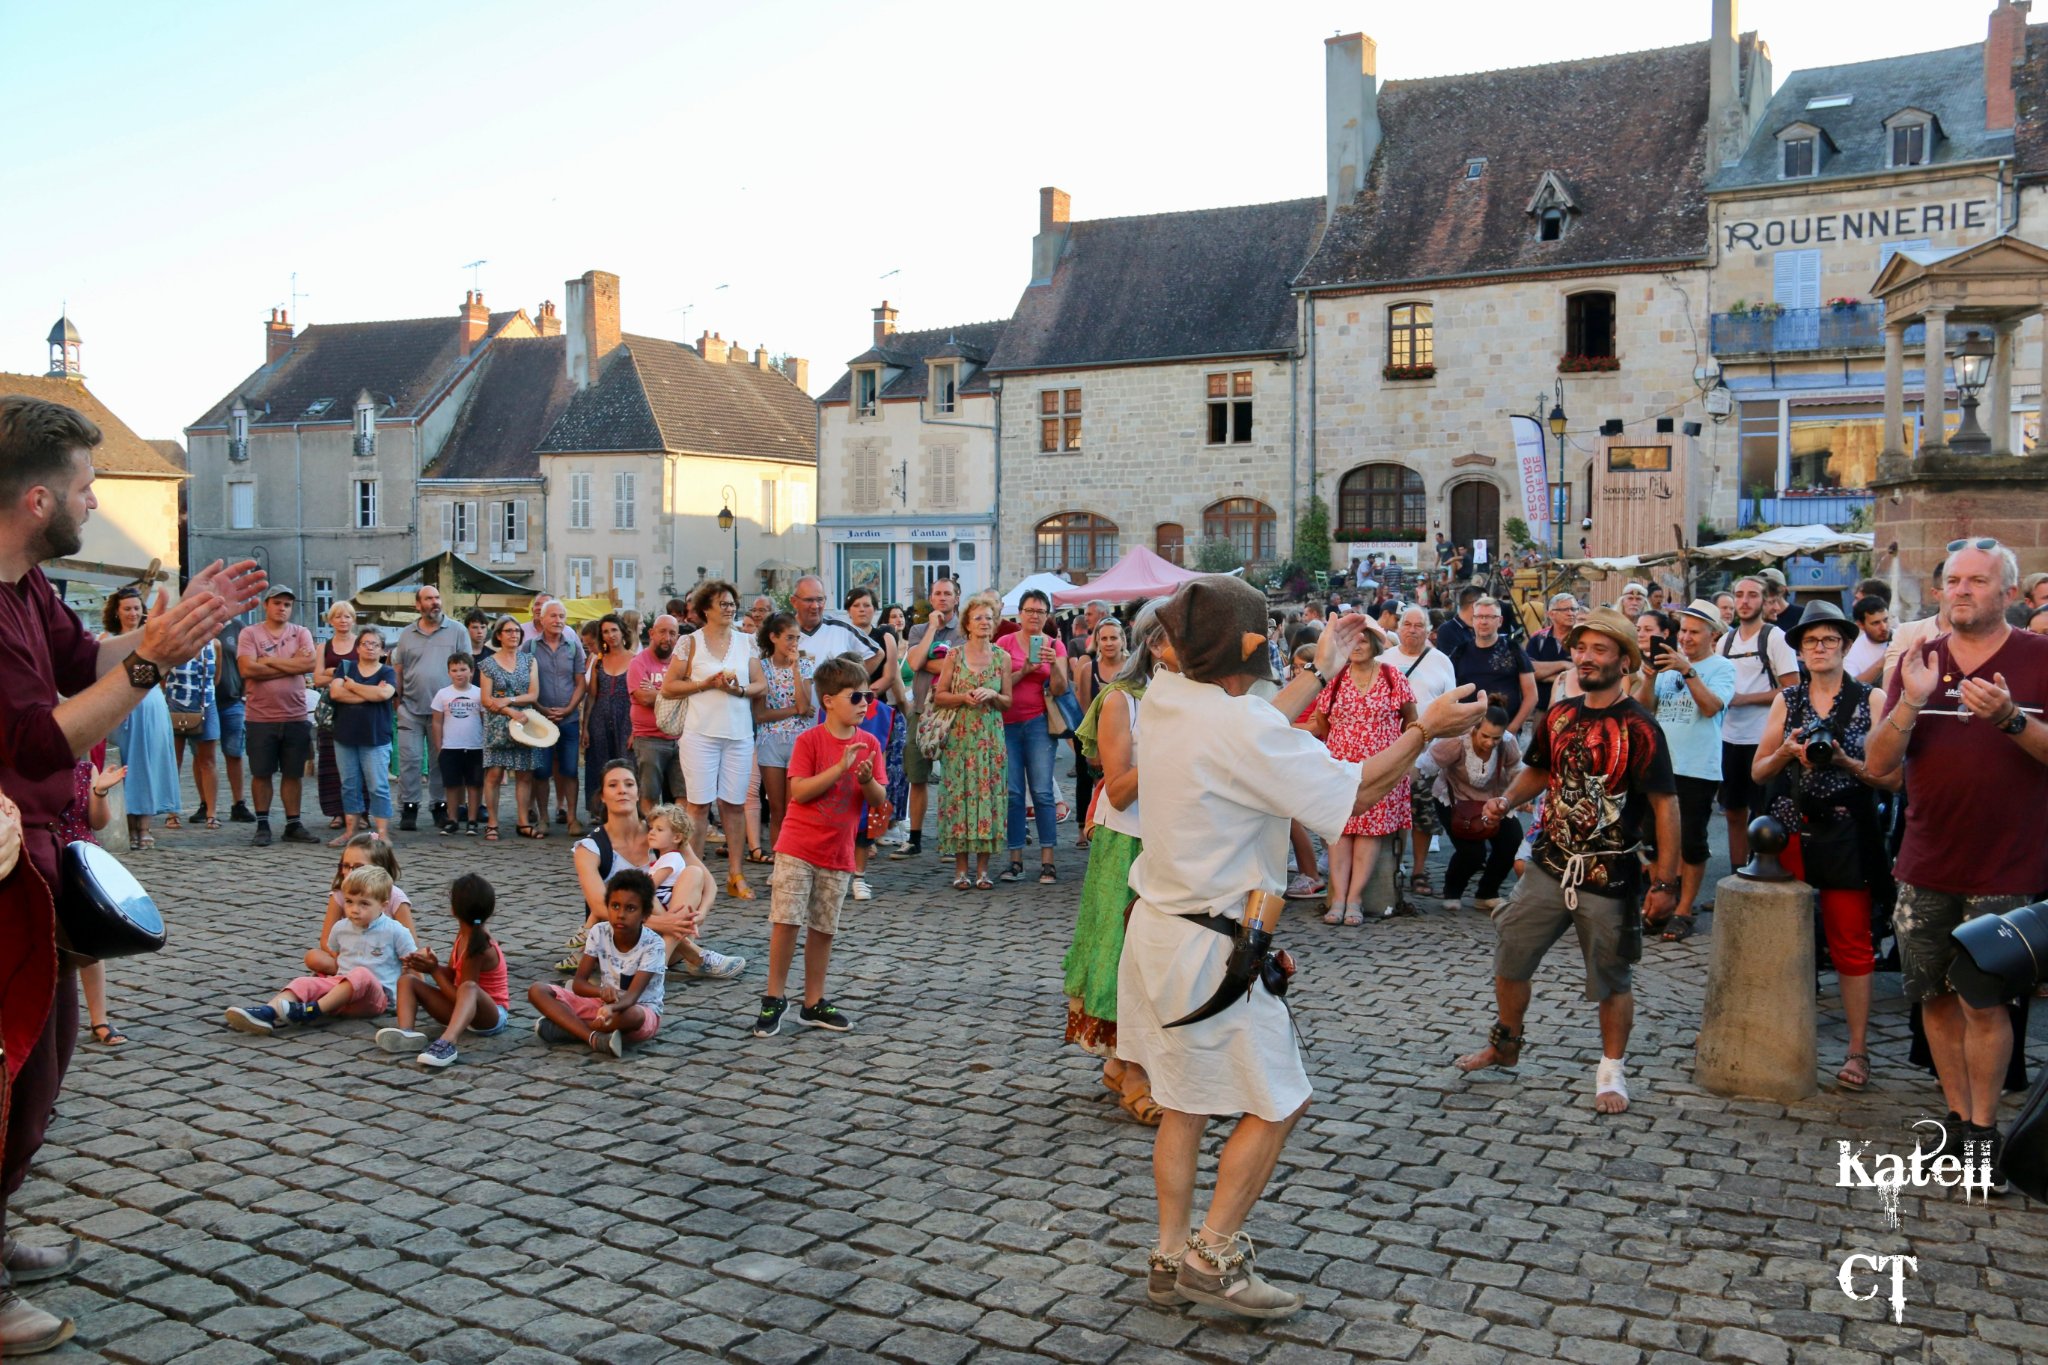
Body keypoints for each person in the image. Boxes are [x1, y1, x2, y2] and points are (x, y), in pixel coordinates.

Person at [1120, 579, 1485, 1319]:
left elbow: (1253, 721)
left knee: (1183, 1104)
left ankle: (1167, 1255)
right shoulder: (1235, 727)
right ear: (1250, 650)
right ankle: (1212, 1257)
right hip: (1212, 952)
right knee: (1282, 1098)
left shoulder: (1167, 695)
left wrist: (1319, 671)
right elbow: (1353, 792)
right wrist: (1425, 727)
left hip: (1158, 932)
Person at [1865, 540, 2048, 1188]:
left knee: (1984, 1001)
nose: (1962, 590)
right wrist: (1911, 701)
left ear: (2009, 593)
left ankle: (1984, 1135)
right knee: (1934, 998)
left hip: (2007, 866)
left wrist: (2011, 719)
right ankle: (1958, 1120)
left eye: (1978, 581)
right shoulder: (1919, 660)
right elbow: (1879, 764)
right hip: (1925, 860)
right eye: (1954, 581)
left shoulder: (2039, 658)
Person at [1455, 606, 1680, 1116]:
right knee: (1512, 954)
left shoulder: (1641, 727)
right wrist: (1506, 800)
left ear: (1625, 661)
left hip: (1609, 873)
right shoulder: (1560, 715)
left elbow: (1666, 805)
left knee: (1610, 977)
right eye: (1581, 648)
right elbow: (1539, 771)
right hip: (1548, 863)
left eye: (1600, 649)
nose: (1586, 657)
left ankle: (1611, 1071)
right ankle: (1506, 1043)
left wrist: (1666, 882)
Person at [1753, 601, 1891, 1092]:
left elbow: (1892, 778)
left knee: (1851, 940)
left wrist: (1845, 762)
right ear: (1800, 650)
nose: (1819, 648)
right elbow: (1759, 771)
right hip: (1790, 830)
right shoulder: (1788, 700)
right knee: (1782, 938)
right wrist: (1788, 752)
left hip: (1848, 832)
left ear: (1846, 646)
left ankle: (1858, 1048)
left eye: (1829, 639)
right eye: (1810, 641)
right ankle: (1777, 1035)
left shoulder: (1873, 699)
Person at [1064, 605, 1166, 1123]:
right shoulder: (1121, 699)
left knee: (1164, 958)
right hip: (1127, 839)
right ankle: (1130, 1068)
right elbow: (1120, 790)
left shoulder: (1197, 697)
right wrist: (1173, 746)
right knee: (1123, 951)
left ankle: (1129, 1064)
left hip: (1175, 841)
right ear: (1155, 643)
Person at [753, 658, 884, 1037]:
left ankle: (813, 1002)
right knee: (786, 922)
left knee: (824, 928)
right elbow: (799, 791)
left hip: (838, 852)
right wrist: (839, 768)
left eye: (868, 696)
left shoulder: (870, 743)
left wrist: (865, 780)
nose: (864, 703)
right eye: (855, 697)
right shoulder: (809, 740)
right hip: (797, 846)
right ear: (828, 701)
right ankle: (774, 997)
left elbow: (878, 800)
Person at [571, 759, 738, 979]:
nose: (622, 790)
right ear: (602, 796)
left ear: (638, 793)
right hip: (620, 935)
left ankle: (655, 968)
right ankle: (694, 956)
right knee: (641, 890)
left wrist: (701, 914)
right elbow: (601, 908)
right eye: (613, 785)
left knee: (693, 873)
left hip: (666, 936)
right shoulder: (589, 848)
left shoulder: (663, 831)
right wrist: (667, 923)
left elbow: (709, 885)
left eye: (629, 784)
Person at [1300, 616, 1416, 924]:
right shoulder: (1335, 678)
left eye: (1364, 640)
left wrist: (1401, 759)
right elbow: (1322, 720)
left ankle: (1355, 898)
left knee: (1369, 832)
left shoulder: (1392, 676)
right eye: (1353, 640)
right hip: (1342, 766)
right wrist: (1344, 743)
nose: (1358, 645)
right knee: (1341, 830)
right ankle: (1338, 898)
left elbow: (1411, 720)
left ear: (1375, 644)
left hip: (1381, 768)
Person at [1633, 600, 1736, 940]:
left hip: (1697, 766)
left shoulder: (1722, 667)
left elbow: (1711, 707)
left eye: (1695, 632)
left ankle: (1684, 910)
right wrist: (1649, 678)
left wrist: (1687, 671)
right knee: (1651, 840)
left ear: (1713, 635)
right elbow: (1644, 710)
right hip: (1660, 764)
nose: (1686, 638)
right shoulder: (1667, 665)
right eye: (1684, 631)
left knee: (1691, 841)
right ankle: (1660, 902)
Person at [225, 864, 417, 1035]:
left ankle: (311, 1010)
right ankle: (268, 1012)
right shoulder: (341, 928)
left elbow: (414, 964)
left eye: (364, 904)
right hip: (341, 992)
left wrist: (415, 998)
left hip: (375, 999)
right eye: (349, 901)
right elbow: (337, 955)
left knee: (362, 974)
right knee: (304, 981)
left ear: (383, 905)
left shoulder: (396, 931)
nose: (354, 909)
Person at [663, 579, 764, 900]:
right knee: (698, 806)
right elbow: (669, 686)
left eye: (732, 603)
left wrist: (739, 690)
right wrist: (704, 684)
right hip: (700, 733)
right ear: (706, 609)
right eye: (723, 603)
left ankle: (736, 874)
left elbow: (760, 684)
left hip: (738, 734)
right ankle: (693, 878)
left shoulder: (747, 641)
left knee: (734, 805)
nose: (730, 608)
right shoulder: (689, 643)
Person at [375, 872, 511, 1068]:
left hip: (491, 1016)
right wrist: (430, 966)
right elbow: (455, 977)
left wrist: (435, 971)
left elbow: (462, 993)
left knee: (469, 988)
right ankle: (406, 1032)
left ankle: (448, 1042)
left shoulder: (479, 946)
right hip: (464, 1011)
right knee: (407, 980)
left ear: (453, 910)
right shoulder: (464, 934)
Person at [530, 868, 666, 1057]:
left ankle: (568, 1028)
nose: (621, 914)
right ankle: (593, 1037)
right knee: (537, 990)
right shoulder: (599, 932)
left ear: (645, 914)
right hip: (602, 1007)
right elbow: (579, 984)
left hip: (638, 1011)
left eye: (630, 908)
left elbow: (632, 997)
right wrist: (601, 992)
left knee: (632, 1015)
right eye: (615, 906)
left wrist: (612, 1007)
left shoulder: (654, 944)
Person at [1716, 576, 1799, 872]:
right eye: (1739, 595)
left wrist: (1745, 699)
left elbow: (1792, 688)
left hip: (1764, 739)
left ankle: (1764, 871)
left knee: (1764, 811)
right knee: (1733, 811)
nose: (1744, 601)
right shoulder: (1725, 641)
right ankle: (1737, 872)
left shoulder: (1775, 637)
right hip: (1729, 737)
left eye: (1752, 595)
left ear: (1765, 601)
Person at [935, 592, 1012, 889]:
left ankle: (982, 871)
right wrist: (962, 698)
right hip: (960, 739)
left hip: (990, 740)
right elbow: (940, 696)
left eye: (989, 618)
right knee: (960, 799)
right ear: (967, 623)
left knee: (987, 799)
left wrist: (993, 694)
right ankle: (960, 870)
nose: (984, 622)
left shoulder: (1002, 658)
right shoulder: (954, 656)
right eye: (978, 617)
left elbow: (1008, 702)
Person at [1384, 605, 1457, 902]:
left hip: (1428, 752)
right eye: (1407, 624)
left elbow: (1450, 706)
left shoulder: (1441, 661)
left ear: (1428, 630)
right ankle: (1391, 866)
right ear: (1398, 628)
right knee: (1391, 811)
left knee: (1423, 814)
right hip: (1390, 751)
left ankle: (1419, 870)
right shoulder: (1384, 660)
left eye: (1419, 625)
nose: (1412, 630)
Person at [997, 589, 1069, 884]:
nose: (1034, 616)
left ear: (1047, 615)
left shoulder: (1055, 645)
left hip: (1039, 723)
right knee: (1014, 793)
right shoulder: (1004, 643)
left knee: (1042, 791)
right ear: (1020, 614)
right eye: (1030, 611)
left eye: (1040, 612)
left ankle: (1047, 861)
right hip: (1007, 724)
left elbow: (1061, 689)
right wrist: (1025, 670)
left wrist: (1054, 666)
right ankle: (1015, 860)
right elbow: (998, 685)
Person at [240, 586, 320, 847]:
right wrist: (291, 665)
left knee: (293, 773)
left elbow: (309, 665)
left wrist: (267, 661)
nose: (282, 608)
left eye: (287, 604)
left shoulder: (301, 632)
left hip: (295, 714)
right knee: (261, 772)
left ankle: (293, 824)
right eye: (277, 603)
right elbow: (247, 669)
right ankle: (262, 824)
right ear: (266, 605)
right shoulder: (250, 633)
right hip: (260, 716)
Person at [892, 578, 965, 861]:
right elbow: (913, 663)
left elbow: (960, 667)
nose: (942, 598)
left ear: (956, 598)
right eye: (937, 594)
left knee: (952, 778)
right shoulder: (919, 629)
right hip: (921, 710)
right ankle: (915, 839)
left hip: (952, 713)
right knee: (917, 777)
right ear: (931, 599)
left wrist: (928, 662)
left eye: (948, 593)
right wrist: (932, 629)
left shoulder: (964, 630)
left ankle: (950, 839)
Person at [102, 588, 179, 849]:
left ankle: (144, 827)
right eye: (127, 608)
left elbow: (163, 669)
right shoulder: (107, 640)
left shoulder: (152, 637)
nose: (133, 613)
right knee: (124, 764)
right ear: (117, 612)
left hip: (150, 705)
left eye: (137, 608)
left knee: (149, 763)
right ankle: (126, 825)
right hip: (119, 707)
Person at [1430, 704, 1523, 912]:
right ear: (1475, 728)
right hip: (1455, 800)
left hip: (1494, 800)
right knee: (1472, 853)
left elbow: (1517, 771)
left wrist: (1518, 796)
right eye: (1485, 736)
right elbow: (1426, 763)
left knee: (1511, 842)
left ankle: (1487, 892)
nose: (1490, 743)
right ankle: (1453, 891)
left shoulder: (1508, 743)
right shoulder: (1457, 741)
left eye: (1496, 738)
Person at [390, 584, 466, 832]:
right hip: (410, 708)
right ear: (418, 605)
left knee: (440, 762)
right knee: (410, 761)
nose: (434, 602)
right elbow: (398, 669)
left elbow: (467, 668)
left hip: (444, 712)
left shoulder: (457, 631)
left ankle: (439, 808)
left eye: (437, 597)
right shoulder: (406, 634)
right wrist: (398, 701)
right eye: (428, 598)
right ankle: (409, 808)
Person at [522, 599, 587, 834]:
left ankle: (572, 818)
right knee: (541, 772)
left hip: (568, 720)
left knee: (570, 770)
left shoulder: (573, 646)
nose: (558, 621)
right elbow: (523, 682)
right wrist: (539, 707)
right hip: (539, 720)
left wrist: (569, 708)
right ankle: (543, 818)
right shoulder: (529, 647)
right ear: (541, 619)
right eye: (553, 616)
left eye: (561, 616)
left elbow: (581, 682)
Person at [327, 627, 397, 845]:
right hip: (345, 736)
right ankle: (351, 832)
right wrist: (370, 694)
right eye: (365, 643)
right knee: (349, 785)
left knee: (378, 786)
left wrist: (354, 686)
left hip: (376, 737)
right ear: (357, 648)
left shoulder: (387, 672)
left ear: (383, 650)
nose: (370, 647)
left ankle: (382, 834)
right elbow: (336, 693)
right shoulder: (346, 667)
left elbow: (384, 693)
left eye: (375, 644)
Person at [753, 611, 815, 856]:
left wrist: (796, 668)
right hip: (770, 741)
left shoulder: (805, 664)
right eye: (789, 637)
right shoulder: (761, 668)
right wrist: (794, 710)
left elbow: (805, 704)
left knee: (794, 807)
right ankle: (780, 862)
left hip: (799, 741)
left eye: (797, 638)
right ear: (774, 637)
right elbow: (760, 714)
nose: (794, 643)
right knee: (777, 809)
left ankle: (796, 858)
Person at [477, 615, 542, 840]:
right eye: (508, 631)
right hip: (498, 724)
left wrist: (509, 700)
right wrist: (509, 710)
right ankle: (492, 823)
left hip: (524, 722)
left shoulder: (529, 661)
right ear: (498, 635)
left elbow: (533, 695)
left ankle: (523, 822)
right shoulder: (488, 664)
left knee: (524, 774)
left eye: (516, 631)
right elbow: (486, 699)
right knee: (494, 774)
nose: (514, 635)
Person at [309, 833, 415, 963]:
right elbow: (326, 940)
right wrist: (344, 959)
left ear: (379, 869)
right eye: (346, 866)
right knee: (313, 957)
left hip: (384, 961)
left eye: (359, 867)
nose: (350, 872)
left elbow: (411, 944)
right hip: (350, 957)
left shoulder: (395, 897)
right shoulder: (339, 894)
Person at [1444, 596, 1535, 733]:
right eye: (1479, 617)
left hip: (1505, 731)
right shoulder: (1460, 652)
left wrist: (1512, 729)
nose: (1483, 622)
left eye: (1490, 617)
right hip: (1468, 731)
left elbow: (1531, 695)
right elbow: (1448, 691)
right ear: (1473, 620)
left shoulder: (1513, 649)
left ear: (1500, 621)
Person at [310, 599, 362, 831]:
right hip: (331, 712)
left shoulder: (361, 644)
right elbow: (317, 678)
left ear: (353, 620)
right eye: (338, 616)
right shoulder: (324, 647)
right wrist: (339, 674)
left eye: (347, 616)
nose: (343, 620)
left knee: (359, 762)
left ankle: (361, 811)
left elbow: (368, 674)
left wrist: (334, 673)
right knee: (331, 763)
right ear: (330, 620)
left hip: (357, 708)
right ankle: (337, 812)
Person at [628, 615, 685, 813]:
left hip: (681, 739)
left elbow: (690, 696)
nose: (667, 638)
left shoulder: (681, 663)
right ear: (651, 633)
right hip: (649, 739)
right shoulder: (638, 662)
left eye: (672, 633)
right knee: (649, 794)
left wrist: (658, 692)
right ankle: (652, 831)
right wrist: (677, 692)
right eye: (662, 632)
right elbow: (644, 698)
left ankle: (676, 831)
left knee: (685, 794)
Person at [581, 614, 634, 819]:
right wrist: (585, 727)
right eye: (605, 632)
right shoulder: (598, 661)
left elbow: (638, 698)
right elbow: (592, 696)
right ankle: (600, 811)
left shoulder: (635, 659)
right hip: (599, 717)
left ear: (622, 632)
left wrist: (636, 730)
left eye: (614, 630)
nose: (610, 635)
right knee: (599, 763)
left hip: (627, 717)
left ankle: (628, 810)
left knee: (626, 764)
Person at [165, 638, 219, 829]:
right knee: (174, 760)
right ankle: (171, 812)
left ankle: (211, 813)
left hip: (205, 703)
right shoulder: (174, 642)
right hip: (176, 704)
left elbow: (216, 677)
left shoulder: (215, 645)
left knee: (208, 760)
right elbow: (163, 677)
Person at [430, 653, 484, 836]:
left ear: (472, 671)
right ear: (448, 673)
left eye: (463, 669)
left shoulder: (479, 693)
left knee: (474, 784)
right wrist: (440, 747)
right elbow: (437, 722)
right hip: (450, 747)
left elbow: (484, 720)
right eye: (454, 670)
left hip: (475, 746)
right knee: (452, 785)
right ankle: (452, 819)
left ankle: (472, 820)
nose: (459, 673)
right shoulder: (443, 694)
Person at [791, 574, 878, 674]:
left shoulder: (841, 628)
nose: (815, 606)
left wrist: (854, 681)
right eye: (809, 600)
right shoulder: (782, 631)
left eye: (820, 600)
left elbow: (876, 654)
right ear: (794, 601)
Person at [214, 619, 254, 823]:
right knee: (203, 756)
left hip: (233, 700)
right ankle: (206, 805)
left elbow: (247, 662)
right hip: (205, 702)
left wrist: (245, 694)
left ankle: (238, 803)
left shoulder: (238, 628)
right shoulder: (201, 625)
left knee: (234, 752)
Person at [1526, 593, 1577, 721]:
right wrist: (1563, 665)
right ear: (1551, 614)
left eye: (1574, 609)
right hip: (1543, 709)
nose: (1571, 613)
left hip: (1576, 708)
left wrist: (1546, 675)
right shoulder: (1539, 639)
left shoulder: (1582, 639)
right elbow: (1530, 672)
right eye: (1565, 609)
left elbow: (1581, 674)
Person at [1846, 595, 1890, 685]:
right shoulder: (1852, 652)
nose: (1884, 627)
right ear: (1860, 625)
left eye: (1885, 620)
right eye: (1876, 623)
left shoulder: (1901, 637)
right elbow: (1852, 686)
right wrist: (1882, 663)